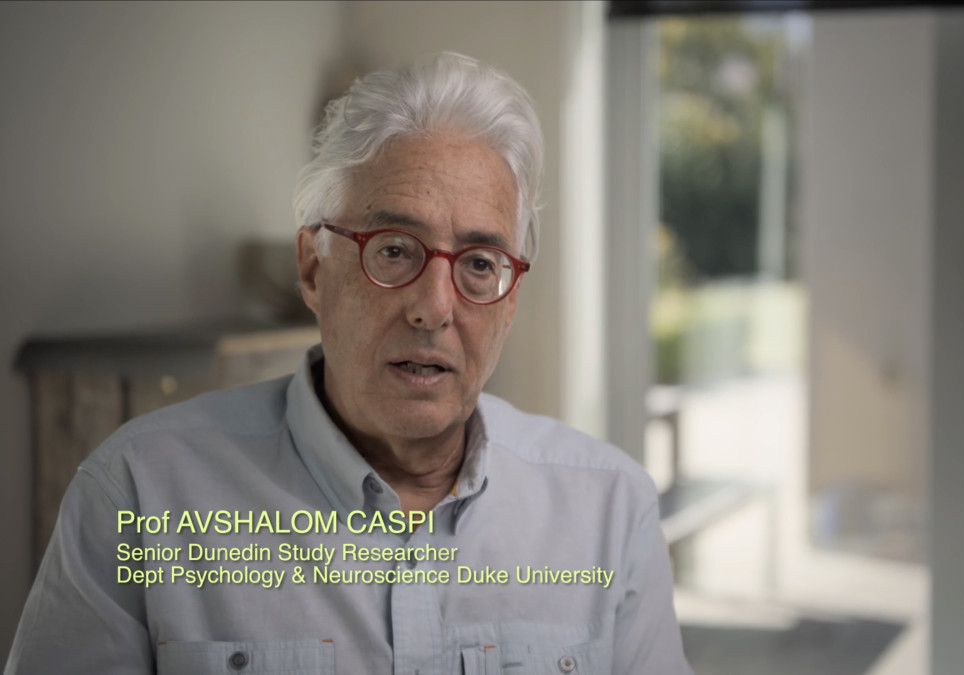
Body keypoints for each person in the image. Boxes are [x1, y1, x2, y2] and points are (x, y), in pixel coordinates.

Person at [5, 52, 691, 674]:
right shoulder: (137, 494)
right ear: (313, 268)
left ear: (510, 300)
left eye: (480, 264)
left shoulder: (611, 510)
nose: (433, 307)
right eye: (393, 249)